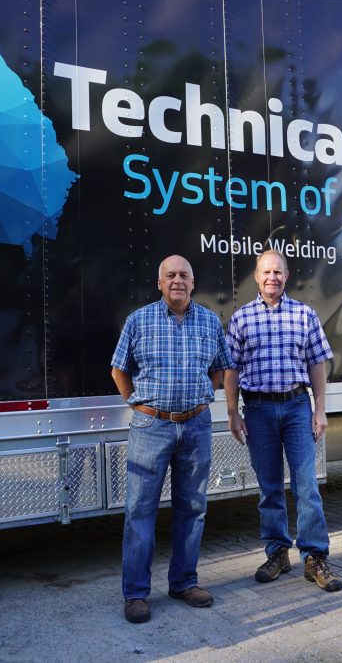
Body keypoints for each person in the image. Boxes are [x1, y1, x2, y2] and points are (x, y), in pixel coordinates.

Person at [111, 255, 232, 624]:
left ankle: (183, 583)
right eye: (170, 275)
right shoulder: (139, 320)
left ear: (193, 283)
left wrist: (198, 396)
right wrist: (138, 403)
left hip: (196, 426)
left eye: (184, 275)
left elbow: (221, 368)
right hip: (151, 427)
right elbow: (119, 369)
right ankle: (135, 594)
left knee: (193, 508)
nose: (177, 280)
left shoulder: (210, 321)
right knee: (139, 511)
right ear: (159, 283)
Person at [224, 249, 342, 592]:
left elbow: (317, 364)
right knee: (270, 486)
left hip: (295, 407)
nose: (272, 277)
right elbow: (231, 370)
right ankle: (277, 552)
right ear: (257, 277)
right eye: (266, 272)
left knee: (306, 484)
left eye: (278, 271)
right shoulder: (242, 318)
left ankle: (315, 557)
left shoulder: (304, 315)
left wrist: (319, 409)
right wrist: (233, 413)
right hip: (258, 410)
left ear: (287, 276)